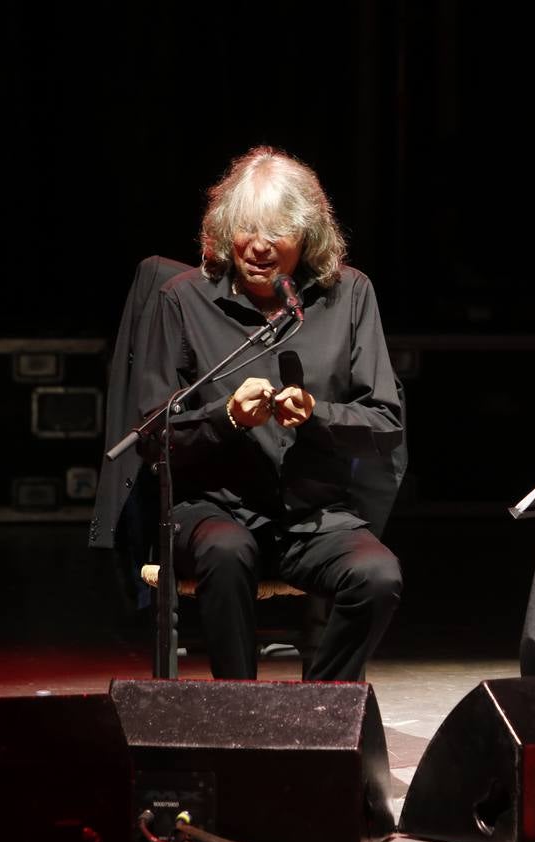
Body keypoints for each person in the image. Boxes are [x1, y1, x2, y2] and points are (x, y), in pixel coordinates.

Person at [136, 146, 403, 682]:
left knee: (378, 576)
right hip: (214, 511)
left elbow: (385, 422)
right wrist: (225, 418)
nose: (258, 246)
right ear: (224, 230)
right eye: (245, 229)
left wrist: (317, 414)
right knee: (228, 552)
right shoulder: (182, 300)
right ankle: (241, 713)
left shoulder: (349, 295)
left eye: (277, 231)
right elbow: (150, 435)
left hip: (313, 516)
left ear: (308, 239)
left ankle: (316, 711)